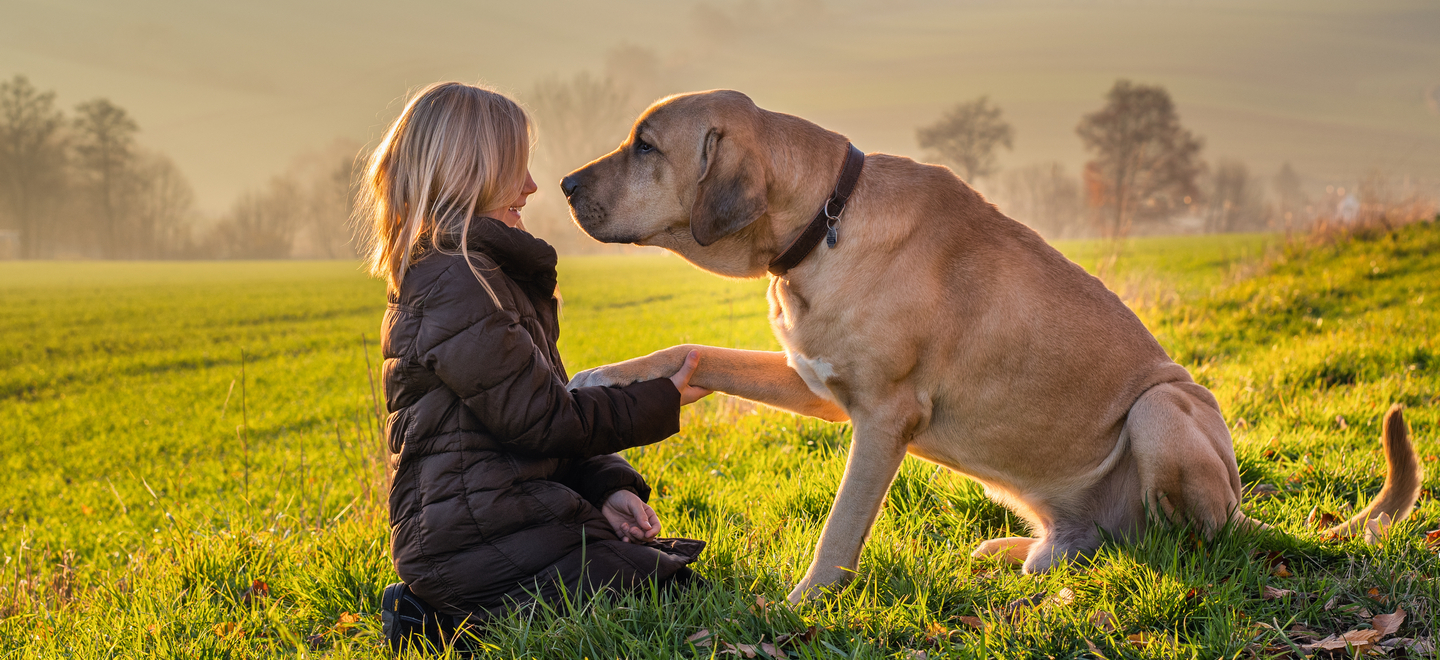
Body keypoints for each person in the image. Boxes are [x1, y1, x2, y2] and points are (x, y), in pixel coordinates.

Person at [358, 81, 711, 652]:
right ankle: (434, 622)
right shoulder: (456, 282)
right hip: (472, 538)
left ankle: (448, 611)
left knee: (661, 574)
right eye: (514, 170)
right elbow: (546, 420)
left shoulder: (479, 275)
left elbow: (542, 409)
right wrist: (657, 398)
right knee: (666, 589)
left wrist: (607, 488)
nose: (531, 186)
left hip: (502, 516)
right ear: (468, 174)